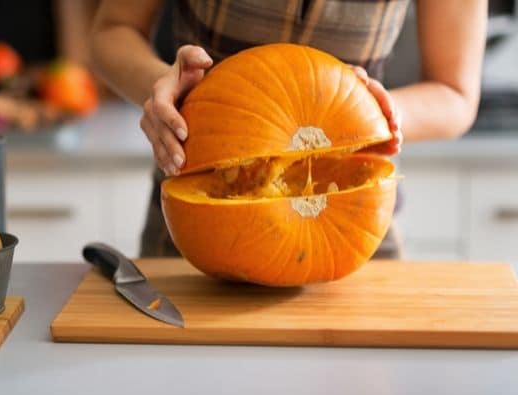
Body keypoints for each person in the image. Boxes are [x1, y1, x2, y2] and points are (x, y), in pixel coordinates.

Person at [90, 0, 487, 257]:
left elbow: (456, 94)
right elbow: (113, 30)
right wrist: (163, 87)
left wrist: (374, 113)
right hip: (190, 238)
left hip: (352, 236)